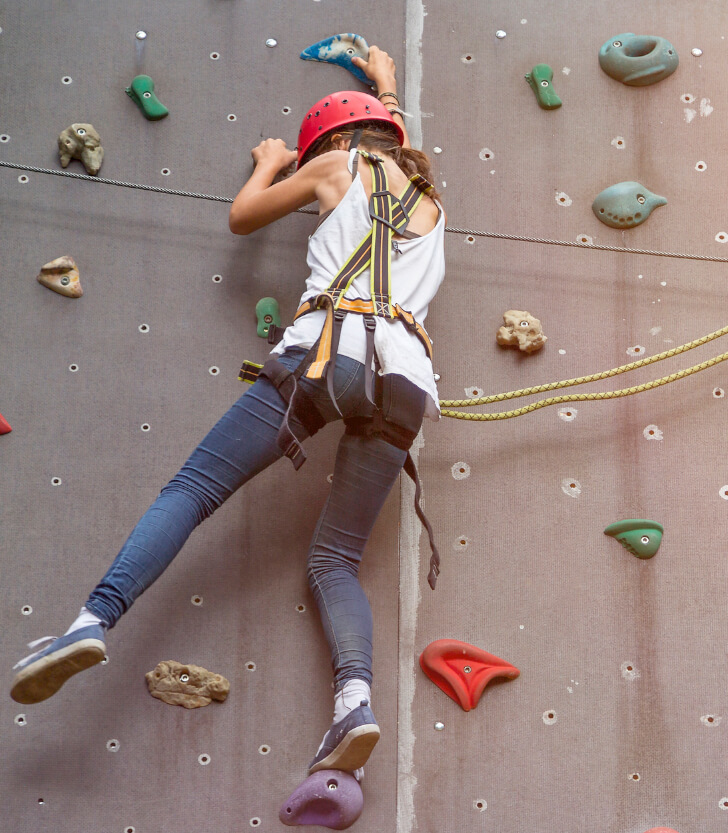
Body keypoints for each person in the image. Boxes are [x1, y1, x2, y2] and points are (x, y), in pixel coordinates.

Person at [10, 47, 444, 777]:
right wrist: (389, 88)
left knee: (192, 491)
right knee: (336, 560)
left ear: (333, 144)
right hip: (406, 381)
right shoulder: (432, 202)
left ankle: (88, 624)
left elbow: (246, 218)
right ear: (386, 134)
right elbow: (386, 136)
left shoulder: (332, 166)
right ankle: (354, 705)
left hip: (323, 354)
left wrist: (273, 162)